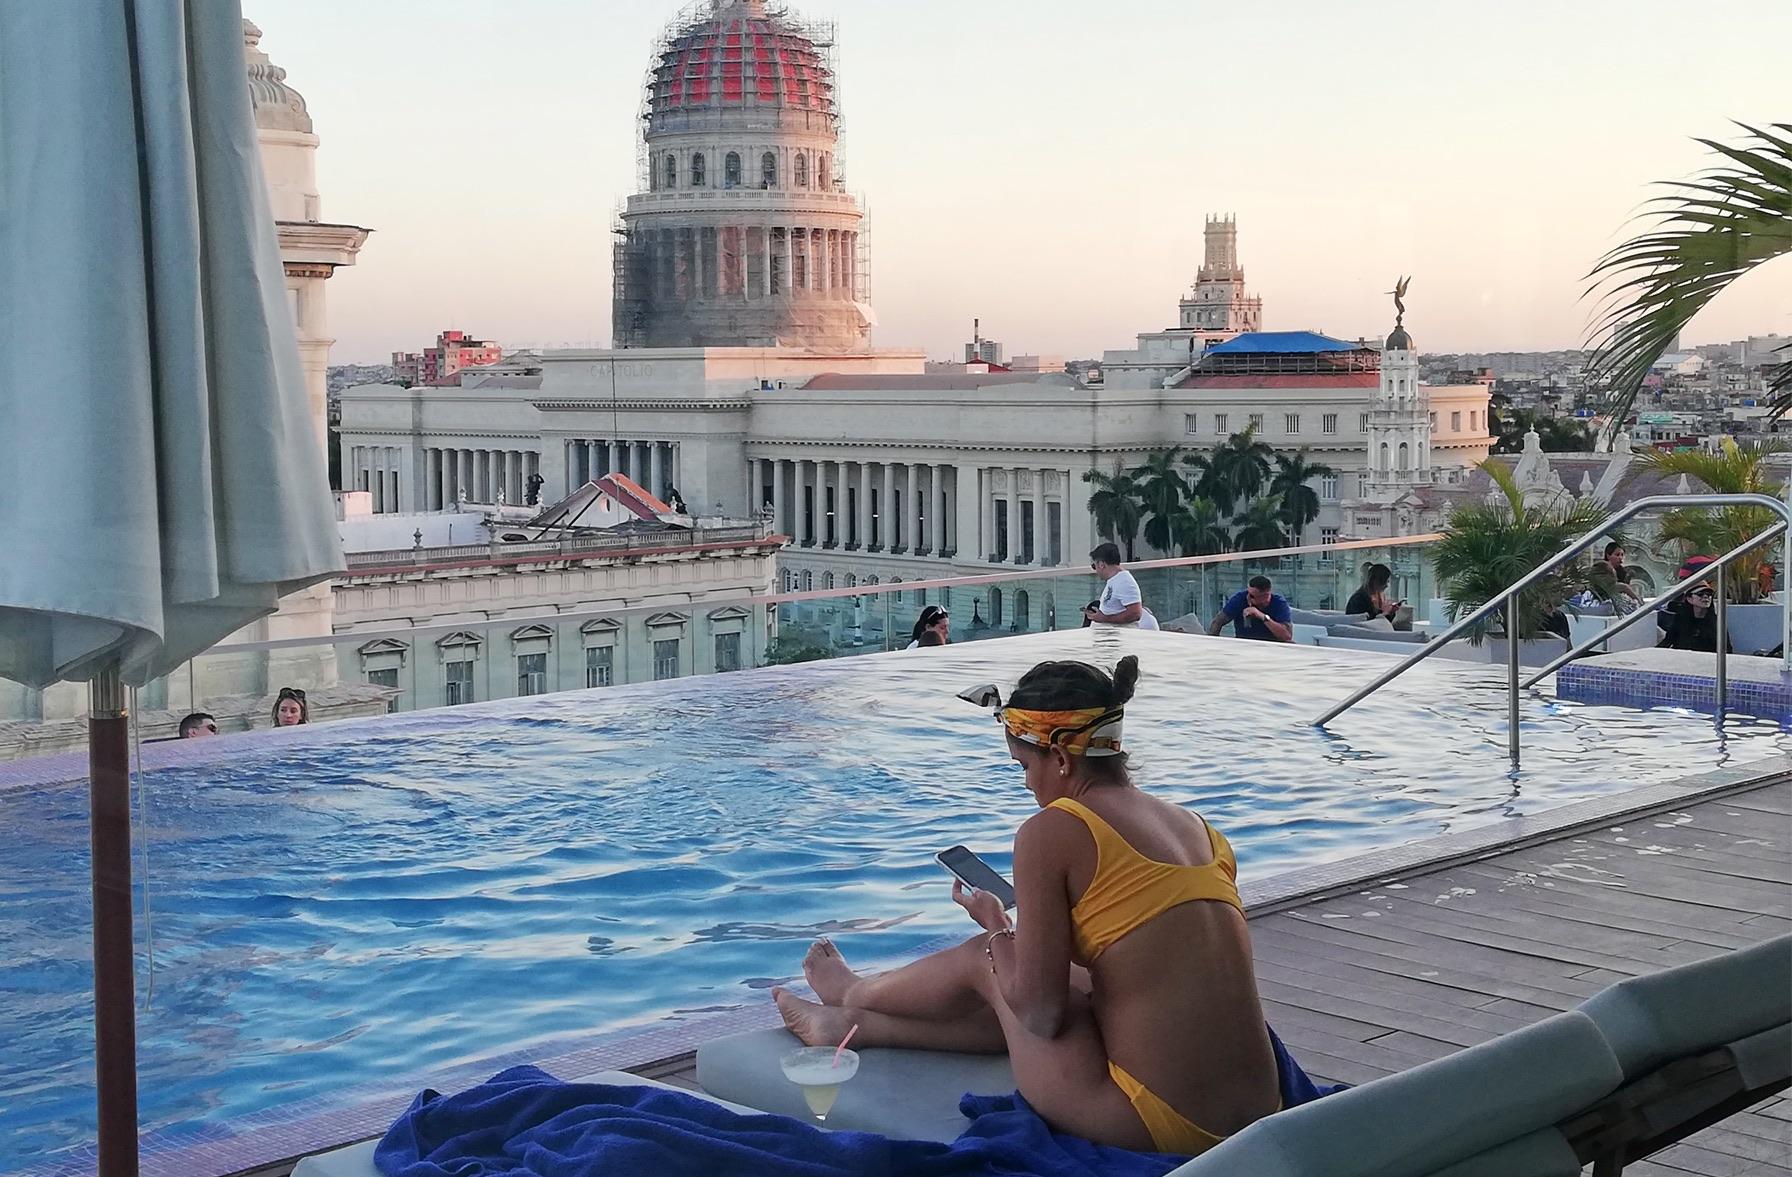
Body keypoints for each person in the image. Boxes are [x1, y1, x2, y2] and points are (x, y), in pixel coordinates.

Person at [771, 657, 1282, 1155]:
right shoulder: (1195, 827)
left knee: (985, 959)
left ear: (1060, 757)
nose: (1027, 784)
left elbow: (1040, 1015)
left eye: (1024, 766)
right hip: (1261, 1112)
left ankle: (855, 991)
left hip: (1155, 1124)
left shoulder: (1053, 830)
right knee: (1049, 975)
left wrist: (996, 929)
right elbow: (1137, 957)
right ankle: (855, 1026)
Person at [1083, 543, 1158, 630]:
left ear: (1101, 564)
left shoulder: (1125, 582)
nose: (1095, 571)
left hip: (1116, 639)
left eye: (1094, 566)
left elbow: (1135, 613)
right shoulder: (1115, 580)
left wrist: (1104, 619)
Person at [1207, 575, 1293, 642]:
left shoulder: (1279, 603)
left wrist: (1262, 616)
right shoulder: (1240, 598)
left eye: (1252, 596)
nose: (1248, 597)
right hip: (1244, 645)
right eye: (1248, 592)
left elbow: (1287, 636)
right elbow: (1217, 622)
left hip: (1271, 646)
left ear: (1266, 596)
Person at [1658, 584, 1731, 653]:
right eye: (1700, 594)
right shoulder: (1680, 620)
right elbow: (1667, 641)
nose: (1706, 597)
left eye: (1709, 594)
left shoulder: (1718, 622)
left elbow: (1727, 649)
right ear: (1689, 599)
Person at [1592, 543, 1642, 611]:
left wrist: (1628, 577)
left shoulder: (1622, 571)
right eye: (1617, 555)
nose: (1620, 557)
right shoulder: (1600, 567)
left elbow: (1624, 591)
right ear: (1608, 556)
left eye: (1622, 555)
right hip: (1601, 596)